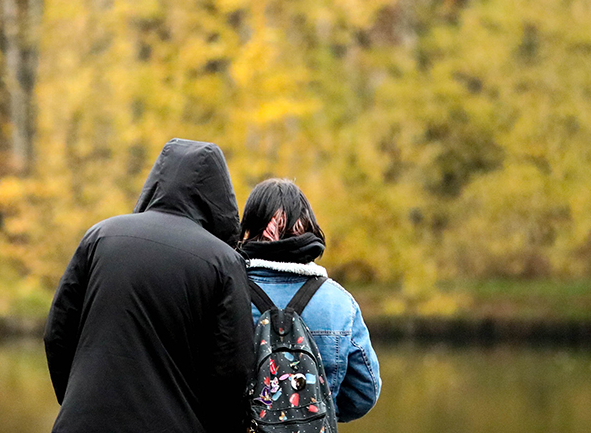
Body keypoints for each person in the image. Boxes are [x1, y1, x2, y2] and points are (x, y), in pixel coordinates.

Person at [44, 139, 255, 433]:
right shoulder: (223, 262)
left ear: (156, 181)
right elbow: (232, 371)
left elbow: (57, 334)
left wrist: (75, 400)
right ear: (220, 197)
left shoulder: (100, 237)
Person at [239, 178, 381, 424]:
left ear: (250, 228)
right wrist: (313, 412)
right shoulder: (339, 303)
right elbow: (364, 392)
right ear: (308, 229)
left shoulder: (227, 293)